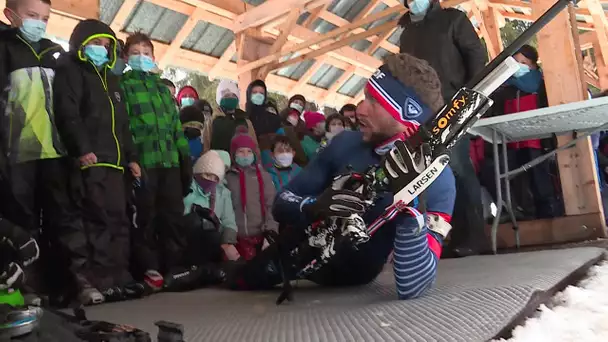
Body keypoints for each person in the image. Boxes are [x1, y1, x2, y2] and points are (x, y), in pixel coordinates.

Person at [230, 53, 455, 299]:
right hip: (294, 253)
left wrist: (411, 206)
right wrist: (315, 206)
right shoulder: (345, 143)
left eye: (375, 102)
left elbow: (414, 287)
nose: (359, 109)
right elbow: (281, 201)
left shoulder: (439, 179)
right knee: (236, 280)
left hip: (355, 277)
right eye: (365, 97)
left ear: (405, 115)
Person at [0, 0, 93, 303]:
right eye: (31, 16)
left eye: (44, 18)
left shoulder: (57, 53)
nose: (38, 23)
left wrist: (77, 146)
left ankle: (76, 282)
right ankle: (28, 288)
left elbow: (70, 105)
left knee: (64, 218)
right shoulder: (3, 48)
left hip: (56, 151)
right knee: (21, 219)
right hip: (17, 152)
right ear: (9, 14)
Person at [53, 19, 141, 303]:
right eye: (96, 44)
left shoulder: (111, 79)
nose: (102, 50)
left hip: (116, 164)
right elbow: (68, 113)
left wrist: (132, 157)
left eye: (107, 45)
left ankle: (120, 278)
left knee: (119, 221)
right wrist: (81, 148)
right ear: (81, 44)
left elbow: (123, 125)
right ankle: (99, 281)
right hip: (91, 161)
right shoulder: (70, 71)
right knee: (97, 223)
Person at [399, 0, 487, 257]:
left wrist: (472, 96)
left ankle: (474, 236)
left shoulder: (453, 19)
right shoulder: (406, 33)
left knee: (459, 167)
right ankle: (450, 236)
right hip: (421, 112)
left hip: (454, 103)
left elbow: (475, 54)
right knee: (436, 175)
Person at [119, 32, 192, 286]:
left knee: (172, 215)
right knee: (146, 217)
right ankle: (149, 268)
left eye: (146, 53)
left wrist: (185, 158)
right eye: (136, 53)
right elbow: (124, 126)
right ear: (127, 57)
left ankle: (175, 266)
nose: (142, 58)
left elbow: (175, 126)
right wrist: (132, 158)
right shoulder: (124, 86)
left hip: (169, 161)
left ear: (153, 57)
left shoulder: (163, 89)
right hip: (144, 162)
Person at [480, 45, 559, 220]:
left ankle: (547, 214)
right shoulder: (503, 87)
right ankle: (514, 210)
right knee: (499, 173)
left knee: (539, 178)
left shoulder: (543, 85)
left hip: (537, 141)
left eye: (524, 62)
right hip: (508, 141)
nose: (519, 66)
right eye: (516, 62)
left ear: (533, 65)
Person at [225, 128, 279, 261]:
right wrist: (227, 239)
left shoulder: (263, 176)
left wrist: (271, 232)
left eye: (249, 151)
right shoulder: (227, 178)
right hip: (236, 239)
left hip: (260, 237)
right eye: (241, 151)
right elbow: (224, 210)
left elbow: (271, 204)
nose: (245, 155)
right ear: (233, 154)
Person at [183, 151, 239, 261]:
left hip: (212, 244)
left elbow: (229, 221)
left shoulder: (223, 193)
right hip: (186, 243)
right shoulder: (186, 189)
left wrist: (227, 242)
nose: (211, 181)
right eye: (208, 175)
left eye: (215, 178)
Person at [203, 79, 258, 154]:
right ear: (220, 98)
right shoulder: (212, 120)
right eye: (227, 95)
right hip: (218, 163)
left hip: (241, 163)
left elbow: (254, 146)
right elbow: (206, 146)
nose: (231, 98)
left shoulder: (245, 120)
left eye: (233, 95)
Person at [245, 80, 282, 166]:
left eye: (261, 93)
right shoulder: (243, 118)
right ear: (248, 94)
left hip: (270, 162)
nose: (258, 95)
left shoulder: (274, 119)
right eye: (254, 92)